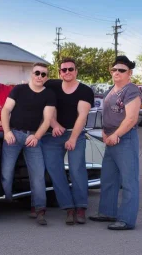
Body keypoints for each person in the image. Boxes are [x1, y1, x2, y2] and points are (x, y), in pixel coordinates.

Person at [89, 55, 141, 230]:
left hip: (124, 138)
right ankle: (107, 212)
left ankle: (126, 219)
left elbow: (132, 118)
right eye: (114, 70)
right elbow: (106, 115)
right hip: (110, 138)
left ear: (129, 73)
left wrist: (116, 134)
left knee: (128, 181)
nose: (117, 72)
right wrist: (105, 133)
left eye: (121, 70)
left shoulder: (131, 90)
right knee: (109, 178)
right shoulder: (110, 89)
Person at [1, 62, 56, 225]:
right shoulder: (18, 89)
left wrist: (37, 137)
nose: (39, 76)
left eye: (43, 74)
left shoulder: (49, 95)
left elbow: (47, 120)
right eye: (37, 73)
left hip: (33, 138)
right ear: (31, 74)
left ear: (46, 77)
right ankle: (7, 202)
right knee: (6, 172)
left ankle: (39, 210)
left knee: (38, 175)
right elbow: (5, 110)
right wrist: (7, 132)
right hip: (14, 135)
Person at [42, 57, 94, 225]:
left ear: (76, 71)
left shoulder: (85, 91)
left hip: (75, 134)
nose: (67, 72)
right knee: (55, 171)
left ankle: (80, 208)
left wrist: (72, 138)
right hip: (53, 135)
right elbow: (46, 108)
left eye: (70, 69)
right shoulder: (52, 86)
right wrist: (55, 124)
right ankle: (68, 208)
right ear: (60, 72)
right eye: (64, 70)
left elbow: (82, 116)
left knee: (77, 170)